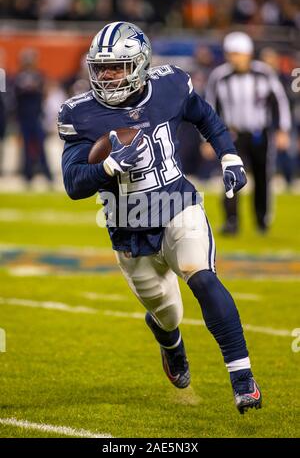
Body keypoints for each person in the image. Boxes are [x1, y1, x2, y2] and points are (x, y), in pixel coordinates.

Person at [58, 22, 262, 414]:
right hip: (128, 226)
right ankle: (171, 343)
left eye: (116, 67)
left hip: (177, 206)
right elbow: (72, 183)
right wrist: (107, 168)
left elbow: (206, 116)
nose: (106, 76)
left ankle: (243, 378)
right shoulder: (79, 114)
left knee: (200, 274)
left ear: (138, 64)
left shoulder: (169, 85)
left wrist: (229, 155)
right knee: (168, 314)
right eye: (100, 68)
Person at [205, 32, 292, 234]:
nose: (234, 58)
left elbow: (279, 102)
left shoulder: (264, 74)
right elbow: (209, 110)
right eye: (231, 53)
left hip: (259, 133)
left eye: (238, 53)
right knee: (231, 177)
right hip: (232, 135)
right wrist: (208, 138)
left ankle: (262, 220)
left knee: (263, 177)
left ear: (248, 53)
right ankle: (231, 221)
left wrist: (282, 130)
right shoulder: (220, 76)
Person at [14, 48, 53, 184]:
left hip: (37, 116)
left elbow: (45, 93)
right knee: (25, 147)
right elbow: (16, 97)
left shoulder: (39, 76)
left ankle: (47, 174)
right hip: (24, 117)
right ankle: (27, 175)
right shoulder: (18, 77)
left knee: (41, 147)